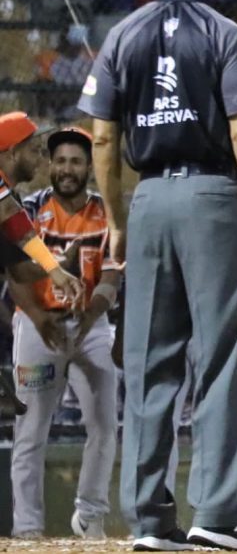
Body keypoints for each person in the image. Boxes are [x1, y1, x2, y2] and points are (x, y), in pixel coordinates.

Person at [77, 0, 237, 551]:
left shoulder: (123, 32)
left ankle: (149, 520)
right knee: (219, 361)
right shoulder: (225, 32)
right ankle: (216, 517)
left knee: (147, 361)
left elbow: (102, 138)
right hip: (213, 199)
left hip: (148, 201)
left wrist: (115, 219)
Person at [9, 127, 119, 540]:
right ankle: (27, 529)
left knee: (105, 424)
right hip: (38, 324)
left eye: (75, 161)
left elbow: (112, 275)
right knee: (31, 430)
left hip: (92, 323)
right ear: (50, 166)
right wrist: (39, 318)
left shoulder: (107, 212)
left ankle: (89, 513)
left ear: (89, 167)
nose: (66, 169)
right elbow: (13, 271)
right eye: (60, 161)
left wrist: (90, 318)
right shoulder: (28, 208)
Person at [0, 113, 83, 300]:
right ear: (12, 153)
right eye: (34, 151)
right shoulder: (7, 206)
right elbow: (11, 214)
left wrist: (58, 265)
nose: (41, 159)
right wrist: (55, 269)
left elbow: (20, 270)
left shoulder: (9, 197)